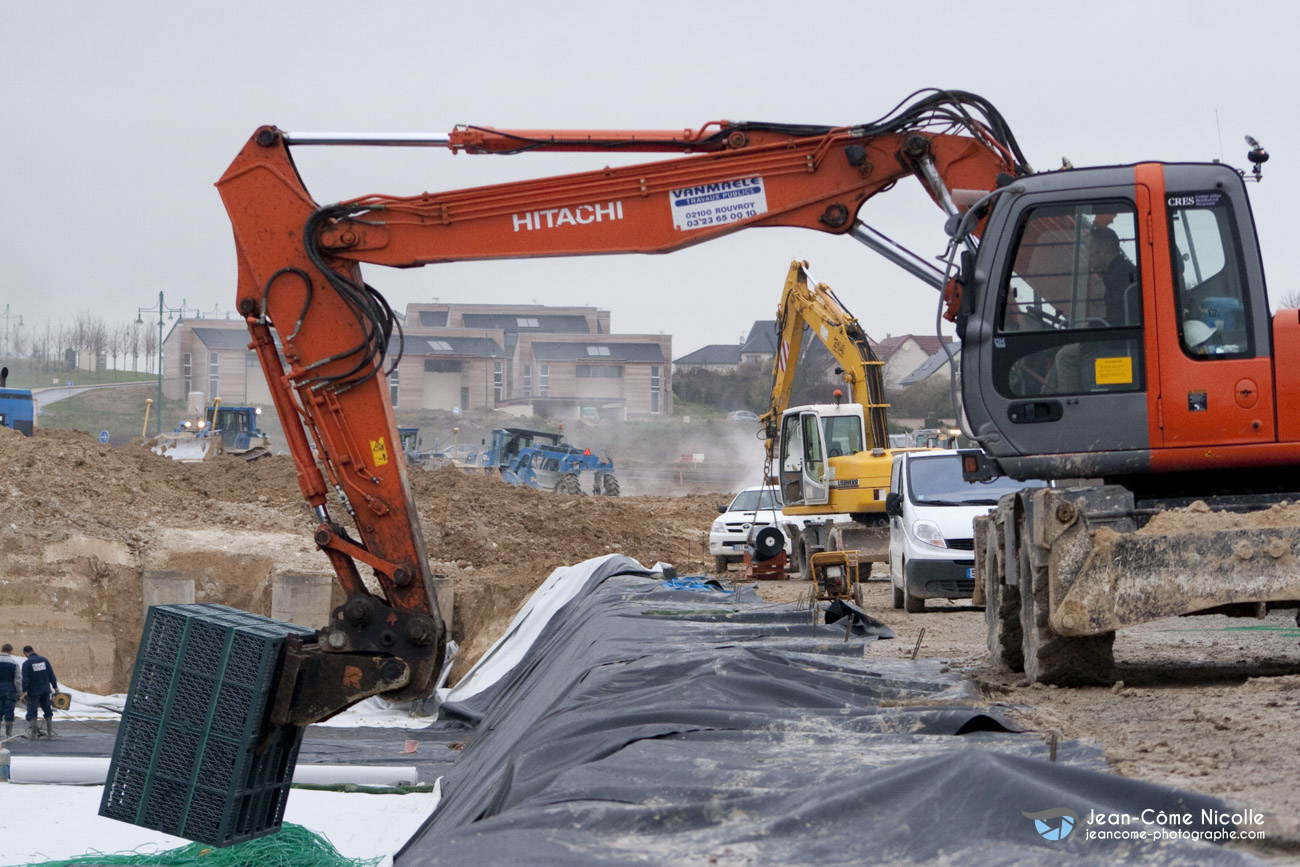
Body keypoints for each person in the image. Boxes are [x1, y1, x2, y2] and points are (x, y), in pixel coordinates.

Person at [1088, 226, 1137, 325]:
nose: (1088, 255)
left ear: (1103, 249)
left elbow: (1127, 318)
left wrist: (1092, 326)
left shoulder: (1127, 275)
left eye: (1090, 248)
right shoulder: (1117, 274)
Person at [21, 645, 57, 739]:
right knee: (47, 710)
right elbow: (51, 674)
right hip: (45, 690)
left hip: (33, 692)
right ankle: (50, 733)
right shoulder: (44, 660)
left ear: (25, 653)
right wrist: (55, 686)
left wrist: (23, 691)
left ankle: (33, 734)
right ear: (33, 650)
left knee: (32, 711)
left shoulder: (27, 663)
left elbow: (26, 679)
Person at [0, 644, 20, 739]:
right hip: (10, 689)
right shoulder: (14, 662)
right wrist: (19, 692)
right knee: (9, 711)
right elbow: (18, 679)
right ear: (10, 651)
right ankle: (9, 734)